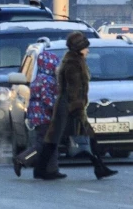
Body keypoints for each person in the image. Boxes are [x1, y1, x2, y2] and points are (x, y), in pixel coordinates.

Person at [35, 32, 117, 181]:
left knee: (54, 138)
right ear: (79, 48)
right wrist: (77, 108)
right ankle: (99, 168)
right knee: (75, 138)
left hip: (67, 105)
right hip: (69, 106)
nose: (88, 50)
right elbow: (74, 89)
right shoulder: (73, 64)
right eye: (86, 47)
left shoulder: (74, 61)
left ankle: (40, 169)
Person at [14, 50, 65, 180]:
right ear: (50, 65)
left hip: (38, 116)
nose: (57, 68)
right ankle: (22, 159)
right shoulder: (47, 80)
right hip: (44, 117)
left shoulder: (38, 78)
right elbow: (46, 98)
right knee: (43, 145)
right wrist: (56, 108)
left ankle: (51, 170)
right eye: (56, 65)